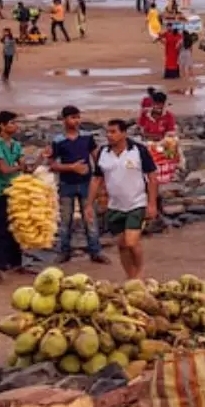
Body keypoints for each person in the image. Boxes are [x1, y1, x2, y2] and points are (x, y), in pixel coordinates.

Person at [92, 118, 160, 280]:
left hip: (136, 203)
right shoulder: (103, 153)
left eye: (113, 132)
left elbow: (152, 177)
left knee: (131, 242)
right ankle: (131, 277)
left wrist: (152, 204)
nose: (109, 135)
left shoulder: (138, 150)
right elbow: (97, 179)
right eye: (107, 132)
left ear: (123, 133)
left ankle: (140, 273)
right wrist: (90, 203)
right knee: (122, 245)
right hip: (115, 206)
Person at [50, 106, 106, 265]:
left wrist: (100, 180)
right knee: (65, 221)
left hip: (86, 184)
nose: (76, 121)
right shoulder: (58, 141)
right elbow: (52, 165)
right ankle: (64, 252)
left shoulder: (87, 138)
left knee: (90, 219)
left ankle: (95, 252)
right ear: (64, 119)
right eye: (72, 117)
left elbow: (97, 158)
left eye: (78, 117)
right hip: (66, 184)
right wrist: (71, 167)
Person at [0, 111, 28, 284]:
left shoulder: (16, 145)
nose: (16, 126)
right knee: (2, 229)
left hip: (15, 190)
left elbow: (25, 167)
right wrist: (20, 167)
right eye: (12, 123)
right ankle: (0, 266)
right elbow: (4, 169)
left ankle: (16, 263)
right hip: (0, 191)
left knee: (16, 227)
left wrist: (41, 158)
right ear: (2, 126)